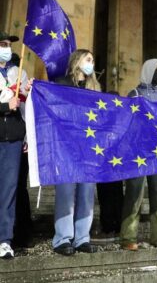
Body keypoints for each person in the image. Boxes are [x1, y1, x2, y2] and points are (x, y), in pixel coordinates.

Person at [119, 59, 157, 251]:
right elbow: (128, 120)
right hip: (138, 151)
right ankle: (128, 236)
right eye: (156, 70)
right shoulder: (134, 93)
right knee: (135, 193)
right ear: (148, 71)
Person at [53, 49, 100, 256]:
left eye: (92, 60)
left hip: (89, 148)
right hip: (66, 146)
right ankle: (62, 239)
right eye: (88, 59)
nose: (91, 63)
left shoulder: (95, 89)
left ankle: (82, 238)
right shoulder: (62, 83)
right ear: (77, 60)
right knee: (65, 192)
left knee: (87, 193)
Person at [0, 32, 29, 259]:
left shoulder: (17, 72)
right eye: (3, 44)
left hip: (14, 139)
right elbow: (7, 104)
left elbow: (23, 109)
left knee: (9, 190)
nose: (7, 48)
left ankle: (4, 240)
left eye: (9, 45)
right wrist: (4, 107)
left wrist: (26, 94)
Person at [93, 90, 124, 244]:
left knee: (114, 194)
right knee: (107, 194)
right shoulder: (102, 117)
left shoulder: (119, 118)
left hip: (114, 162)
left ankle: (115, 224)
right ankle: (109, 225)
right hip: (104, 162)